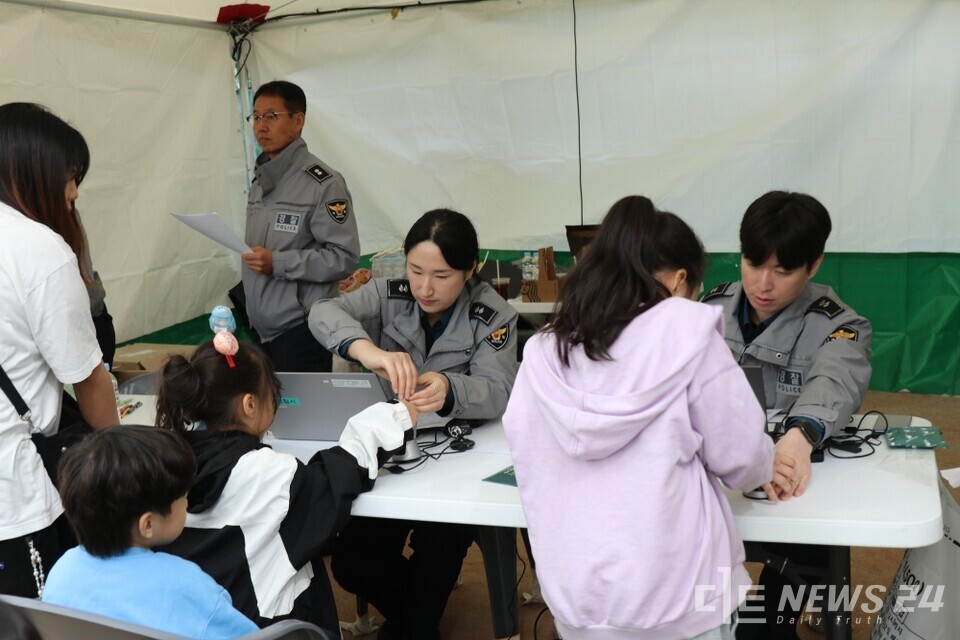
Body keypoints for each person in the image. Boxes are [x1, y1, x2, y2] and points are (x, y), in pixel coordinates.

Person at [502, 195, 776, 640]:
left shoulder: (541, 350)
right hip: (679, 596)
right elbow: (743, 459)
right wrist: (767, 461)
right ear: (681, 278)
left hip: (577, 595)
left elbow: (527, 453)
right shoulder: (688, 332)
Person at [309, 208, 519, 640]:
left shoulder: (494, 314)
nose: (425, 287)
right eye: (415, 270)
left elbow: (499, 389)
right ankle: (419, 618)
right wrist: (368, 351)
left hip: (457, 465)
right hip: (392, 458)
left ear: (470, 269)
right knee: (350, 561)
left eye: (441, 275)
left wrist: (450, 388)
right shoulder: (390, 294)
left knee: (439, 548)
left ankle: (416, 622)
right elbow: (321, 311)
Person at [155, 336, 415, 638]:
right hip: (271, 630)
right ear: (250, 405)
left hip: (194, 627)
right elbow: (339, 476)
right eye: (272, 395)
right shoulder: (266, 474)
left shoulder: (164, 464)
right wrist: (397, 415)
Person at [701, 190, 872, 639]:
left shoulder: (839, 324)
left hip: (788, 488)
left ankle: (776, 616)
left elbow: (834, 379)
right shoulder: (705, 311)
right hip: (710, 486)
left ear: (813, 265)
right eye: (754, 263)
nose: (763, 284)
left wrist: (799, 435)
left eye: (783, 270)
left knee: (769, 620)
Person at [0, 102, 118, 598]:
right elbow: (86, 378)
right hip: (18, 497)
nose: (72, 192)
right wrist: (122, 454)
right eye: (70, 176)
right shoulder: (39, 250)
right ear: (33, 170)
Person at [41, 426, 257, 639]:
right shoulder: (187, 584)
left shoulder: (62, 571)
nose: (187, 502)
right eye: (182, 496)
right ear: (148, 525)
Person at [241, 79, 360, 372]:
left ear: (298, 121)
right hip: (260, 332)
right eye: (255, 117)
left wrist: (277, 263)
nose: (260, 126)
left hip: (301, 331)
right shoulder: (260, 181)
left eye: (271, 116)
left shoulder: (324, 183)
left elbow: (343, 257)